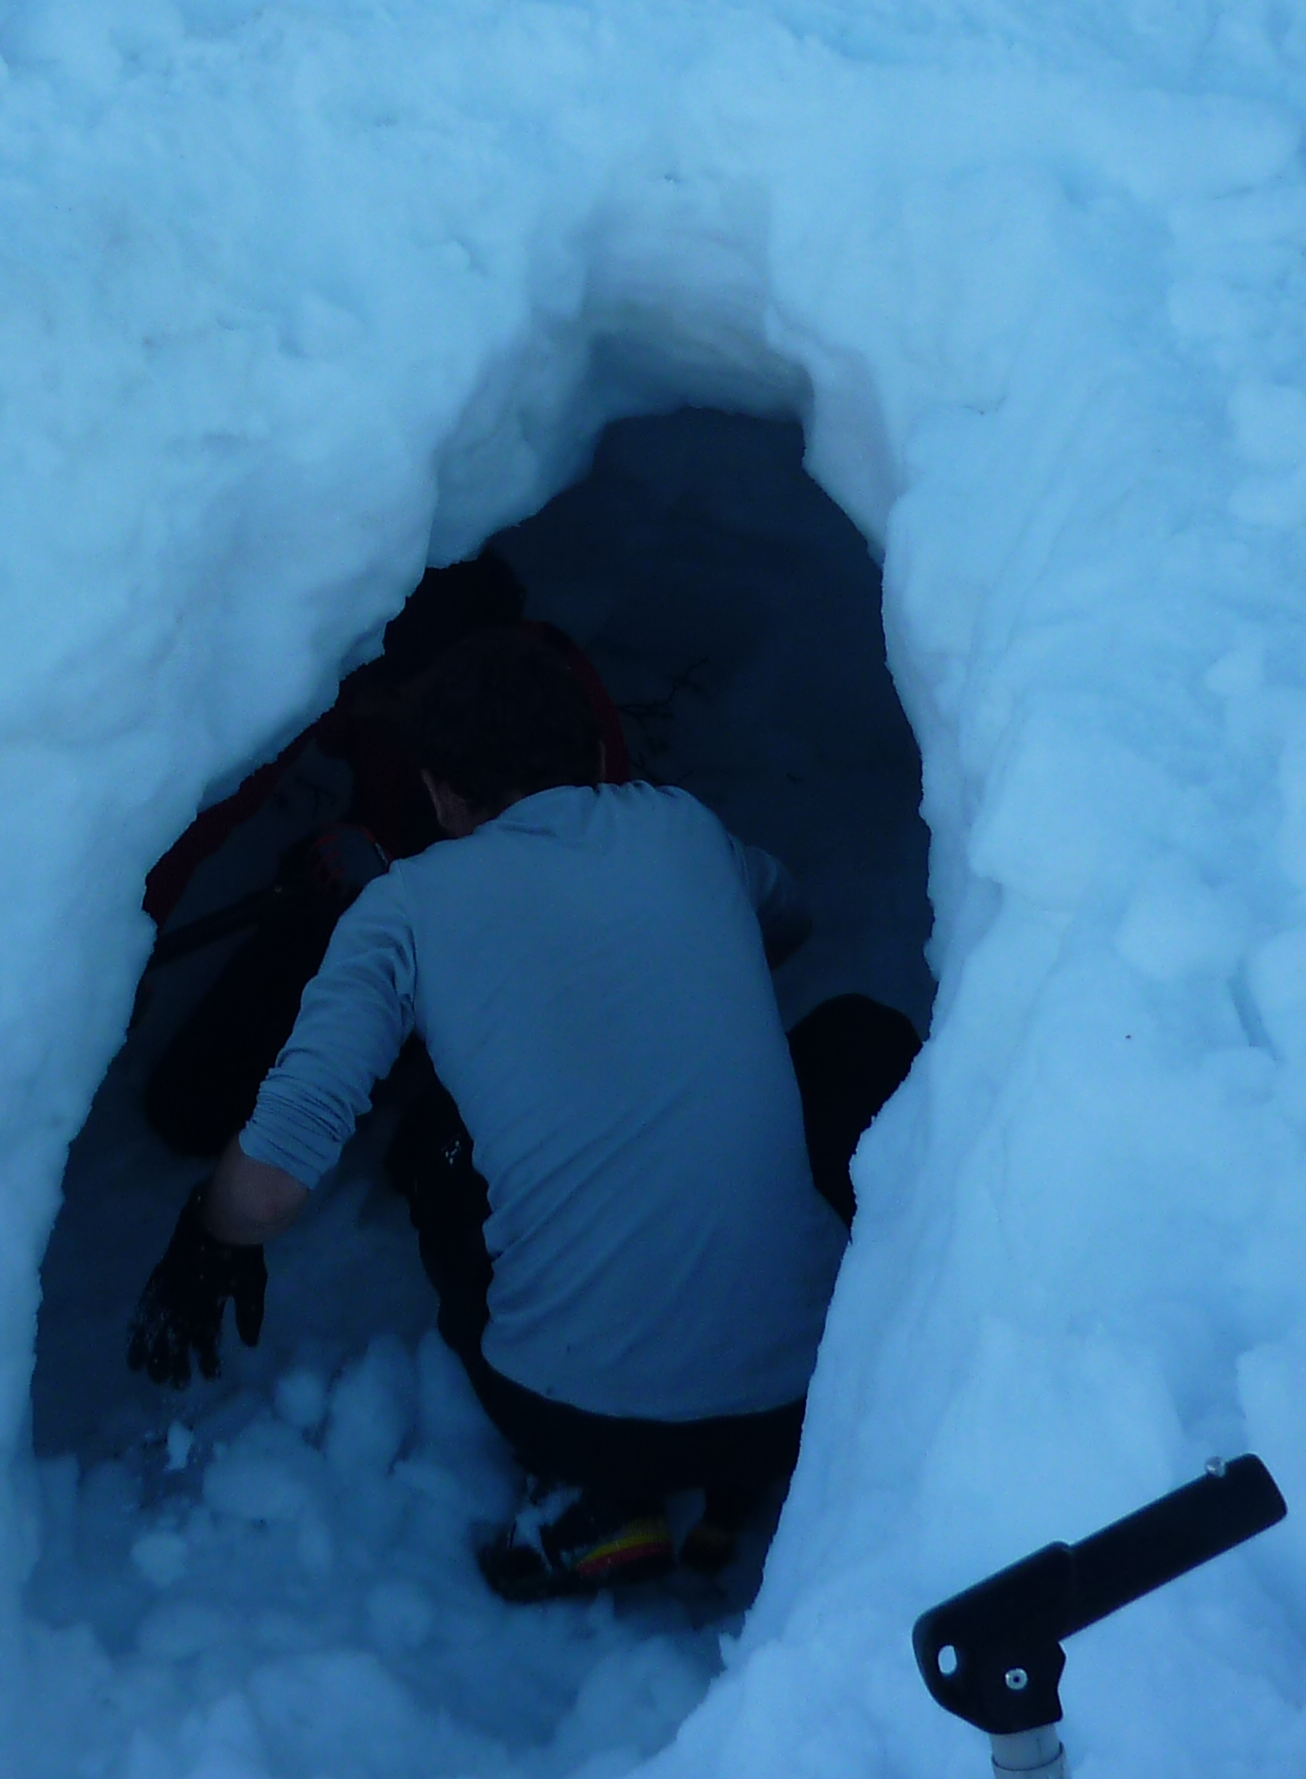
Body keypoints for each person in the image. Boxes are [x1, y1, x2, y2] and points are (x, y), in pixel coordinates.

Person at [128, 622, 899, 1602]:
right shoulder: (684, 830)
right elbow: (784, 922)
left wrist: (208, 1234)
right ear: (593, 755)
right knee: (856, 1039)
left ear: (441, 792)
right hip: (812, 1390)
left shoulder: (403, 909)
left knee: (437, 1144)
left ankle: (591, 1503)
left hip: (578, 1420)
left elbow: (273, 1184)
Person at [134, 556, 629, 1161]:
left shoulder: (557, 731)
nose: (370, 709)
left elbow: (557, 924)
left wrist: (405, 888)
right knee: (186, 1107)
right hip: (359, 888)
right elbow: (218, 801)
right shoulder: (372, 655)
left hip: (478, 957)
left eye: (393, 698)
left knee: (440, 1168)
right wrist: (129, 939)